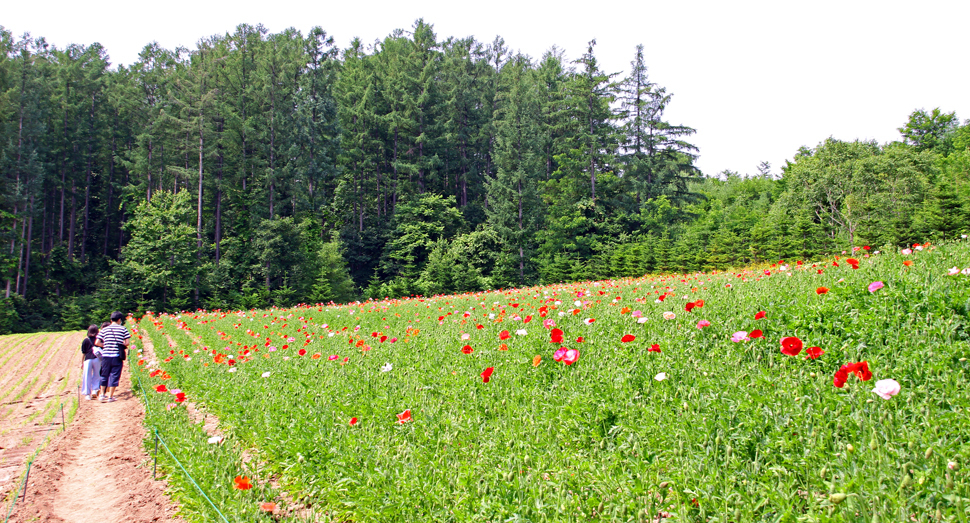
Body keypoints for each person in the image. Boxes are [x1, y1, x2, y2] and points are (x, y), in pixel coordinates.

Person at [95, 311, 131, 403]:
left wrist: (106, 345)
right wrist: (120, 344)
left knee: (104, 375)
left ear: (111, 320)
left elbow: (97, 343)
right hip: (116, 356)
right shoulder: (123, 329)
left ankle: (102, 395)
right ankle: (110, 396)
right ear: (119, 320)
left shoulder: (104, 330)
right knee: (114, 375)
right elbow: (127, 343)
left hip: (106, 355)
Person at [79, 325, 101, 400]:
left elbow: (83, 352)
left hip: (88, 359)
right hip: (97, 359)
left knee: (87, 376)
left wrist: (82, 362)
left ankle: (87, 394)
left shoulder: (86, 340)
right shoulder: (98, 340)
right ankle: (95, 390)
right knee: (97, 375)